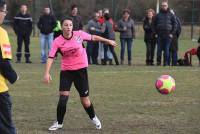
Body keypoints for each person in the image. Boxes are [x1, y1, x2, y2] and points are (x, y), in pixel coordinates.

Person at [43, 17, 117, 131]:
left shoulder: (79, 34)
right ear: (62, 27)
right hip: (66, 71)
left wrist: (108, 41)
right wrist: (46, 73)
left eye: (70, 25)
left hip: (80, 70)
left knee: (85, 101)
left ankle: (93, 117)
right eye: (66, 25)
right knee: (63, 98)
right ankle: (59, 122)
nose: (68, 27)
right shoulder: (57, 41)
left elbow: (94, 37)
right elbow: (50, 57)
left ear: (72, 27)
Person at [0, 1, 18, 133]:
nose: (5, 14)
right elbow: (3, 62)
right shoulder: (1, 33)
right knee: (7, 129)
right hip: (0, 90)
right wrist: (14, 76)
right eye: (4, 11)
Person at [153, 0, 177, 66]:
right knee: (159, 50)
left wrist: (172, 34)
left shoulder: (171, 15)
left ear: (167, 6)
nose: (164, 7)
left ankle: (166, 63)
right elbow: (153, 25)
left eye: (165, 5)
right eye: (162, 5)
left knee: (167, 50)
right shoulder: (157, 15)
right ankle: (158, 62)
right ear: (161, 6)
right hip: (159, 35)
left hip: (168, 35)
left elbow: (175, 25)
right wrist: (155, 33)